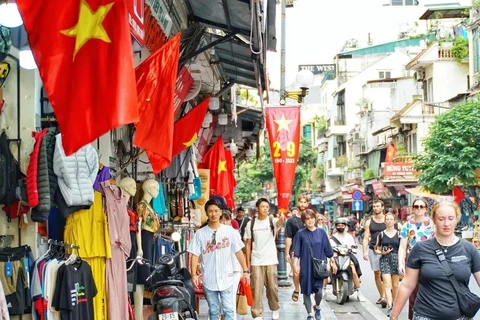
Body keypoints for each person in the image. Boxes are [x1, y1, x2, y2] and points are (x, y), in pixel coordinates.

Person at [390, 201, 480, 320]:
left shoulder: (469, 249)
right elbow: (407, 285)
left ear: (457, 219)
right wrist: (393, 316)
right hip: (425, 315)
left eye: (451, 218)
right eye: (441, 219)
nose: (446, 223)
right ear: (434, 220)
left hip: (460, 316)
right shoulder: (420, 249)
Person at [188, 199, 250, 320]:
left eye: (216, 211)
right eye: (210, 211)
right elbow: (194, 255)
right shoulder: (200, 234)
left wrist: (246, 271)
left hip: (226, 278)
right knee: (213, 310)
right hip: (209, 279)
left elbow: (238, 252)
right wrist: (194, 274)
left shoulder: (230, 232)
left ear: (221, 212)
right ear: (206, 213)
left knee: (228, 309)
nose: (213, 214)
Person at [244, 198, 286, 320]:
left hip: (271, 260)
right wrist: (247, 263)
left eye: (267, 207)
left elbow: (280, 223)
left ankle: (274, 308)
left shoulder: (272, 221)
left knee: (272, 287)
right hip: (256, 261)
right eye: (263, 207)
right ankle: (257, 313)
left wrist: (282, 218)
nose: (265, 209)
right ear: (257, 208)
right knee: (256, 288)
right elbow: (247, 243)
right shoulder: (250, 224)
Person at [293, 209, 334, 320]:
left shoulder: (321, 233)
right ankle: (309, 314)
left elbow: (328, 250)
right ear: (304, 221)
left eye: (312, 218)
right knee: (306, 291)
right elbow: (296, 251)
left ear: (315, 218)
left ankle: (317, 305)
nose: (310, 221)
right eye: (307, 219)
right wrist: (295, 265)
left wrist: (332, 262)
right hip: (305, 266)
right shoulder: (300, 234)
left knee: (319, 291)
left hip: (319, 266)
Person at [398, 198, 434, 320]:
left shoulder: (432, 225)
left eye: (421, 206)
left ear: (425, 209)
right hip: (412, 260)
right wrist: (401, 263)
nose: (419, 209)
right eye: (416, 206)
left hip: (430, 260)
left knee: (430, 289)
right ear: (413, 208)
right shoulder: (407, 225)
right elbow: (402, 247)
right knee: (412, 291)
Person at [362, 200, 389, 308]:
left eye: (377, 206)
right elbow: (365, 237)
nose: (375, 208)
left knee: (385, 273)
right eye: (374, 206)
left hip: (387, 249)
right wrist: (364, 251)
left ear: (382, 207)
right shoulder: (369, 222)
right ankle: (382, 295)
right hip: (373, 249)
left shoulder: (388, 220)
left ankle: (385, 296)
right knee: (377, 273)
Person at [374, 212, 400, 316]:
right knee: (387, 284)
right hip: (384, 259)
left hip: (396, 259)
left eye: (391, 219)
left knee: (395, 285)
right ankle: (390, 306)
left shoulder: (399, 234)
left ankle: (395, 304)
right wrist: (382, 252)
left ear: (394, 221)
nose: (389, 221)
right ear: (385, 221)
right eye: (387, 219)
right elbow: (376, 249)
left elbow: (403, 248)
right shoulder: (381, 234)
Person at [329, 217, 362, 300]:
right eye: (338, 225)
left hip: (348, 256)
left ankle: (358, 291)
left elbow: (353, 247)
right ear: (336, 226)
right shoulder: (333, 238)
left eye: (342, 225)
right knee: (328, 269)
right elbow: (329, 248)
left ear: (345, 226)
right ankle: (324, 289)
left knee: (354, 270)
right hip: (336, 256)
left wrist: (353, 249)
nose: (340, 227)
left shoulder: (349, 237)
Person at [286, 196, 309, 303]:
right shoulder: (291, 220)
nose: (303, 204)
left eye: (305, 202)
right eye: (301, 202)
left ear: (307, 204)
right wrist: (287, 252)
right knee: (296, 272)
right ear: (298, 203)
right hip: (296, 249)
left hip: (309, 249)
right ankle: (296, 288)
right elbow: (288, 237)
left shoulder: (311, 218)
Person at [220, 210, 242, 319]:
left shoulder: (234, 233)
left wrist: (244, 270)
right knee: (220, 298)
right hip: (220, 270)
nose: (224, 222)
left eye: (226, 220)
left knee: (231, 296)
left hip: (234, 269)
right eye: (222, 220)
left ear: (230, 221)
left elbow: (240, 252)